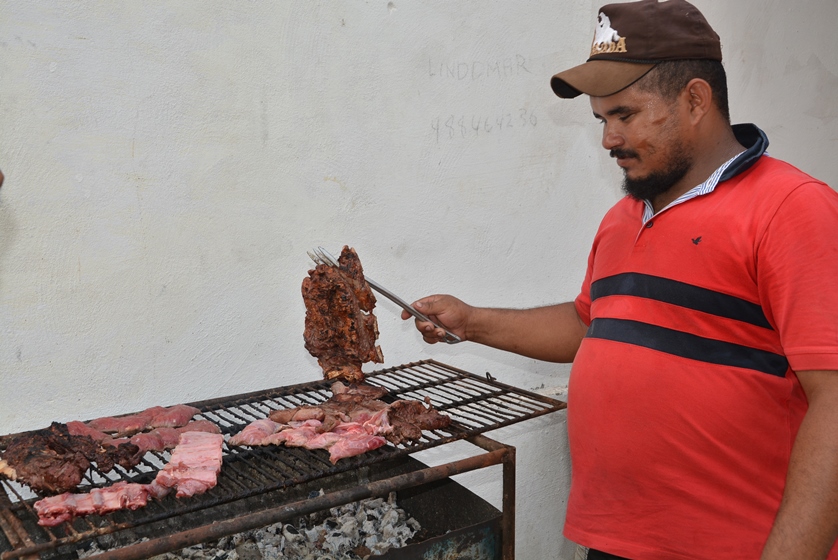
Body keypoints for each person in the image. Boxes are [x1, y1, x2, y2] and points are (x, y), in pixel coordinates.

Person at [402, 1, 838, 558]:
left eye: (625, 115)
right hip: (615, 541)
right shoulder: (624, 217)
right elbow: (590, 324)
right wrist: (471, 322)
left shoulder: (792, 210)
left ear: (696, 100)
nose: (609, 139)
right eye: (601, 120)